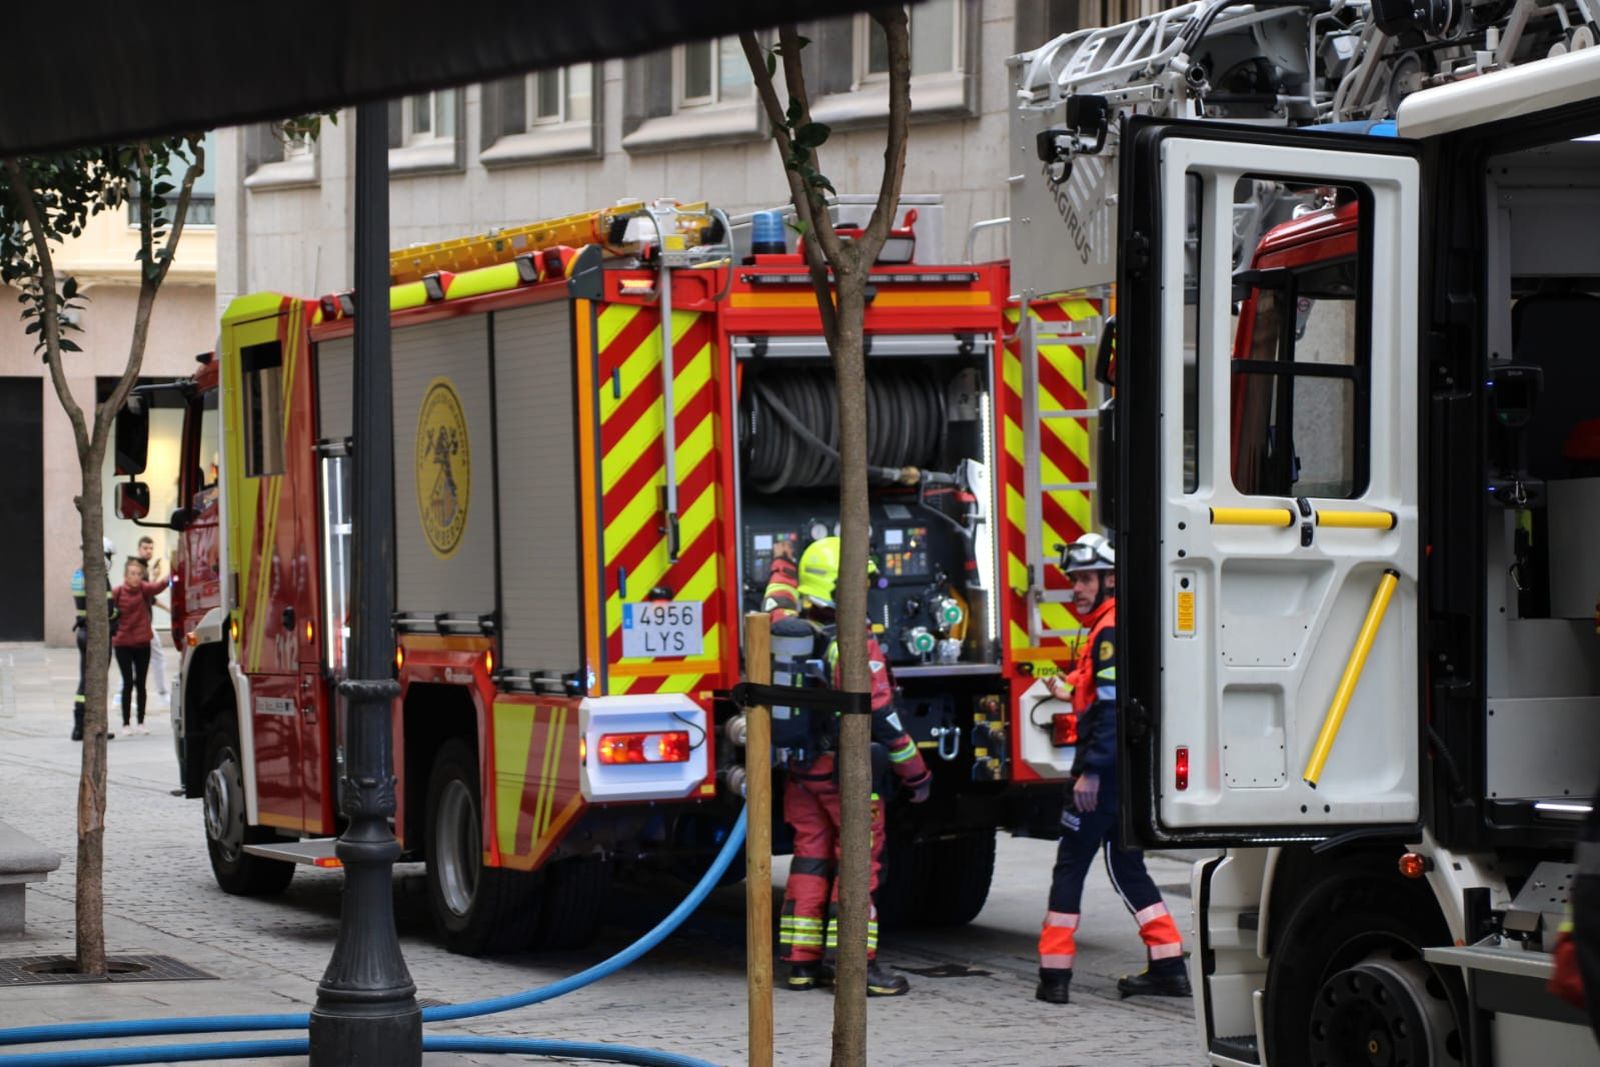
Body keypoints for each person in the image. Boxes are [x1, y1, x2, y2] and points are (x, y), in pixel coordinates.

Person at [764, 534, 932, 998]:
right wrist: (915, 774)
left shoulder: (787, 627)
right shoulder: (851, 644)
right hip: (846, 775)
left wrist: (782, 564)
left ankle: (801, 965)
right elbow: (884, 715)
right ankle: (854, 967)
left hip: (803, 772)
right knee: (858, 865)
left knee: (812, 859)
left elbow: (775, 596)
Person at [1036, 532, 1190, 1005]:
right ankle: (1169, 965)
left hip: (1104, 771)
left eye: (1085, 579)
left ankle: (1054, 978)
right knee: (1127, 865)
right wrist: (1068, 688)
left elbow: (1109, 708)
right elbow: (1103, 689)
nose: (1076, 589)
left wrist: (1092, 772)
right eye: (1074, 580)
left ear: (1108, 580)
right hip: (1126, 768)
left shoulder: (1107, 631)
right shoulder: (1111, 625)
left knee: (1070, 867)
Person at [111, 556, 169, 735]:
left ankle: (141, 722)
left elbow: (159, 586)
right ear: (125, 575)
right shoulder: (117, 592)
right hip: (122, 644)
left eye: (138, 574)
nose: (135, 577)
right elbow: (108, 612)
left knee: (141, 683)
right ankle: (126, 724)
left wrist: (172, 571)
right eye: (132, 573)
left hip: (143, 642)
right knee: (127, 682)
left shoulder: (144, 590)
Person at [70, 538, 118, 742]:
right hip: (96, 635)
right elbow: (107, 610)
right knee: (97, 681)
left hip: (83, 632)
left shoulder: (79, 573)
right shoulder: (98, 577)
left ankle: (79, 726)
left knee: (85, 680)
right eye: (109, 556)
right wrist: (118, 613)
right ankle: (94, 726)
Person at [135, 536, 171, 703]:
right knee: (156, 656)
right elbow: (144, 593)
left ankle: (121, 696)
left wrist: (168, 609)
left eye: (150, 548)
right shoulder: (138, 569)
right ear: (139, 549)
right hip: (140, 623)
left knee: (142, 659)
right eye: (145, 548)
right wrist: (157, 578)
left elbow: (149, 598)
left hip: (142, 622)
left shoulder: (142, 568)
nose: (148, 551)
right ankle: (163, 694)